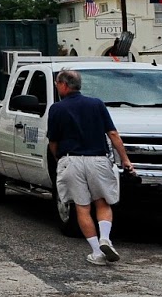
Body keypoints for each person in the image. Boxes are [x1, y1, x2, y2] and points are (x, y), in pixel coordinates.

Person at [47, 68, 136, 265]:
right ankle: (106, 238)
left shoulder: (57, 109)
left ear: (63, 85)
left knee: (82, 207)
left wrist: (58, 158)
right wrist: (126, 159)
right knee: (102, 202)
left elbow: (53, 141)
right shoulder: (96, 104)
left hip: (71, 160)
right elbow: (113, 134)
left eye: (57, 84)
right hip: (98, 159)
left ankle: (97, 252)